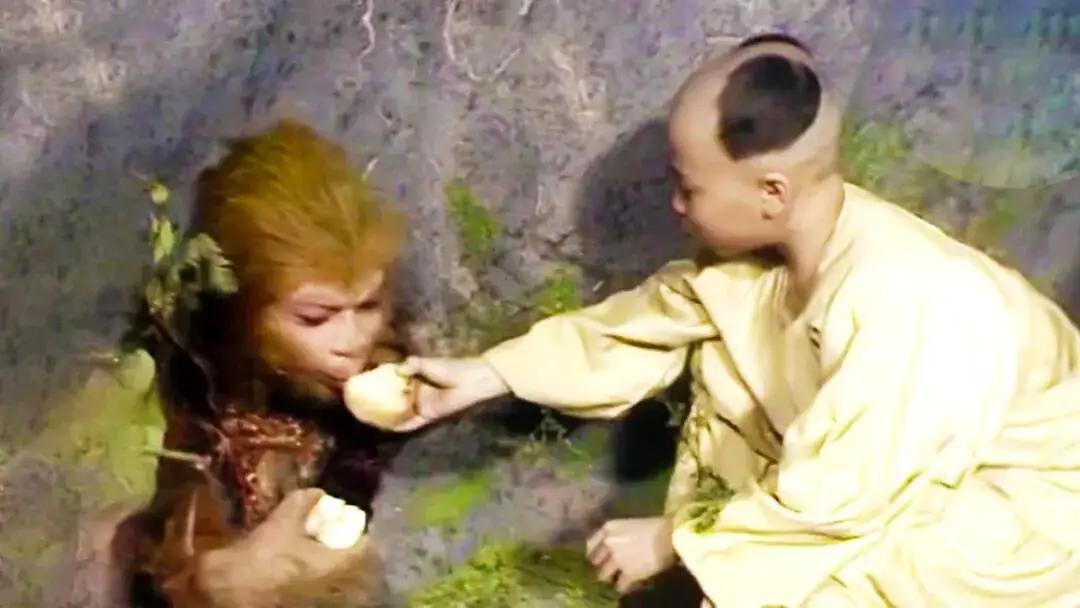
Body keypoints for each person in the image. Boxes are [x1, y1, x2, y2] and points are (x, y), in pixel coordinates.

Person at [391, 34, 1080, 607]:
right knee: (726, 370)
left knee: (825, 585)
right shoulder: (768, 259)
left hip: (1016, 516)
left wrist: (672, 541)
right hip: (882, 480)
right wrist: (482, 376)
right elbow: (646, 323)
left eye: (688, 185)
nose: (676, 205)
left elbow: (848, 494)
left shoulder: (910, 298)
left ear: (772, 192)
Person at [128, 119, 412, 607]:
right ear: (244, 307)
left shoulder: (397, 359)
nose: (353, 343)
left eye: (368, 306)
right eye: (315, 317)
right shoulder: (186, 378)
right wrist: (219, 579)